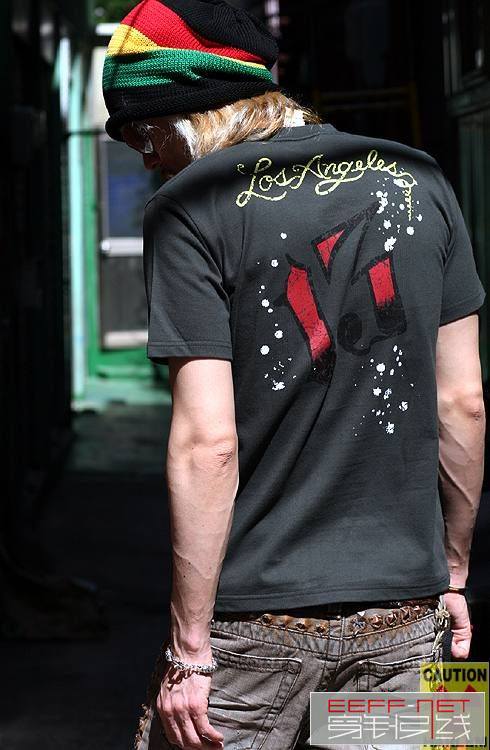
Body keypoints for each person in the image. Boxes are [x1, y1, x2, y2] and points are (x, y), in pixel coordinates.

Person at [102, 1, 486, 748]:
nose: (146, 159)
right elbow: (464, 402)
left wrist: (188, 651)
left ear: (194, 112)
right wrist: (453, 575)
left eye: (144, 133)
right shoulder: (421, 177)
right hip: (411, 615)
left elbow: (206, 444)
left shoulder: (187, 207)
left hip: (252, 631)